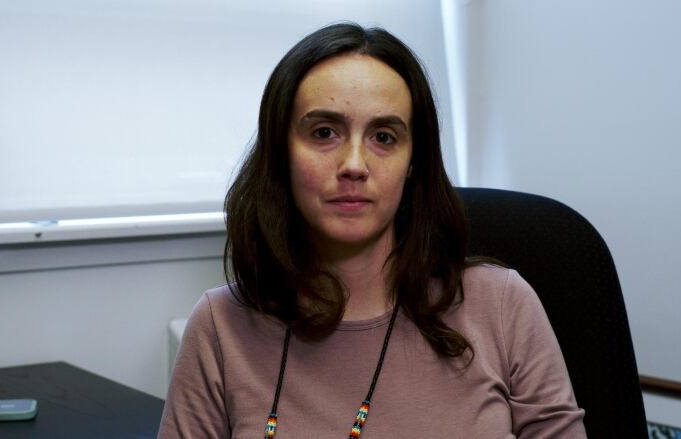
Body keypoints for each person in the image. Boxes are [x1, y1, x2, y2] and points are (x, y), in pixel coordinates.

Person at [159, 23, 586, 438]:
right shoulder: (220, 327)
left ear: (413, 163)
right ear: (281, 153)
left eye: (384, 136)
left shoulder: (502, 306)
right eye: (324, 132)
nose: (355, 165)